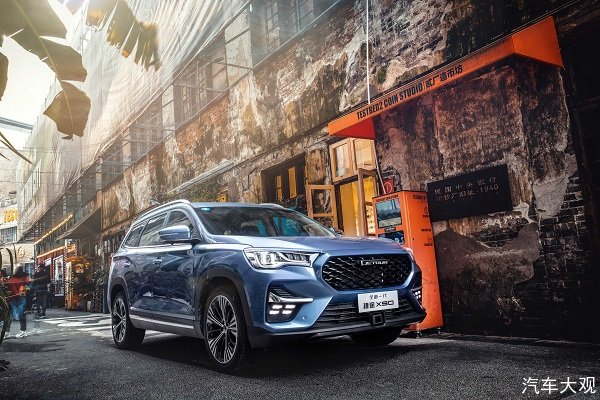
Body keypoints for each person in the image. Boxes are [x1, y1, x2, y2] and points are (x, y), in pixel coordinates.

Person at [6, 266, 31, 338]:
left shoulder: (11, 278)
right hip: (21, 297)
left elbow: (11, 287)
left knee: (9, 315)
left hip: (13, 297)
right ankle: (23, 331)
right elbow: (29, 284)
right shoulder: (24, 278)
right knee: (21, 314)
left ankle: (7, 332)